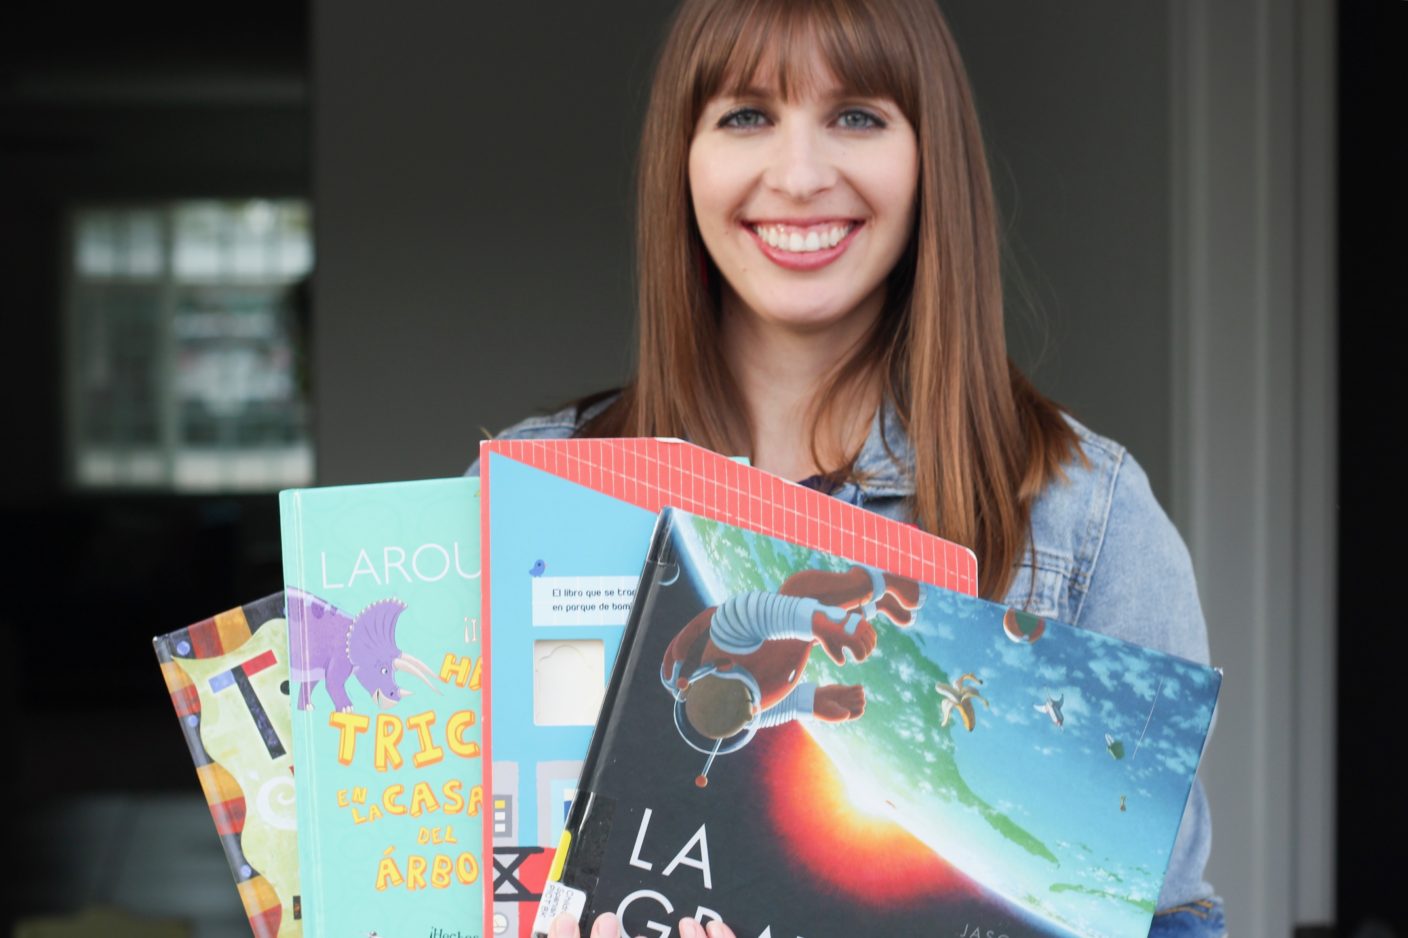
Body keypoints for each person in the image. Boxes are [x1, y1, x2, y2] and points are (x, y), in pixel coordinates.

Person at [471, 0, 1223, 936]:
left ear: (927, 159)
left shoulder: (1087, 519)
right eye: (746, 115)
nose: (798, 175)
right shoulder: (530, 489)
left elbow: (1164, 919)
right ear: (682, 158)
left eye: (857, 116)